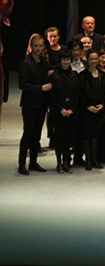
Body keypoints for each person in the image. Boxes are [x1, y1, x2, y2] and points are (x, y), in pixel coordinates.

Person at [18, 34, 52, 175]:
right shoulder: (25, 63)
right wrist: (40, 88)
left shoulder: (44, 61)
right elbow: (22, 84)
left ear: (44, 47)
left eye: (40, 46)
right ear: (31, 47)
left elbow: (46, 74)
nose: (38, 48)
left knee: (37, 134)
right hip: (30, 103)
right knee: (28, 133)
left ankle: (33, 162)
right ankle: (21, 164)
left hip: (42, 103)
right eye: (36, 46)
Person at [79, 49, 105, 171]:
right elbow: (80, 94)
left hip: (99, 109)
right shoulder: (82, 75)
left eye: (95, 59)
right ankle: (88, 160)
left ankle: (94, 159)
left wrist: (102, 105)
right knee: (87, 134)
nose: (94, 61)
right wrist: (88, 106)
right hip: (86, 109)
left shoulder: (102, 75)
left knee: (96, 134)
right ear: (87, 59)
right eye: (91, 59)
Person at [49, 50, 78, 173]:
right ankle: (58, 163)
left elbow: (77, 94)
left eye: (68, 59)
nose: (66, 62)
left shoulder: (75, 75)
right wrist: (61, 109)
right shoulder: (54, 75)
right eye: (63, 60)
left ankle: (67, 162)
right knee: (59, 138)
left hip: (70, 112)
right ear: (60, 61)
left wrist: (71, 109)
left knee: (68, 138)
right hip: (58, 112)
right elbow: (51, 95)